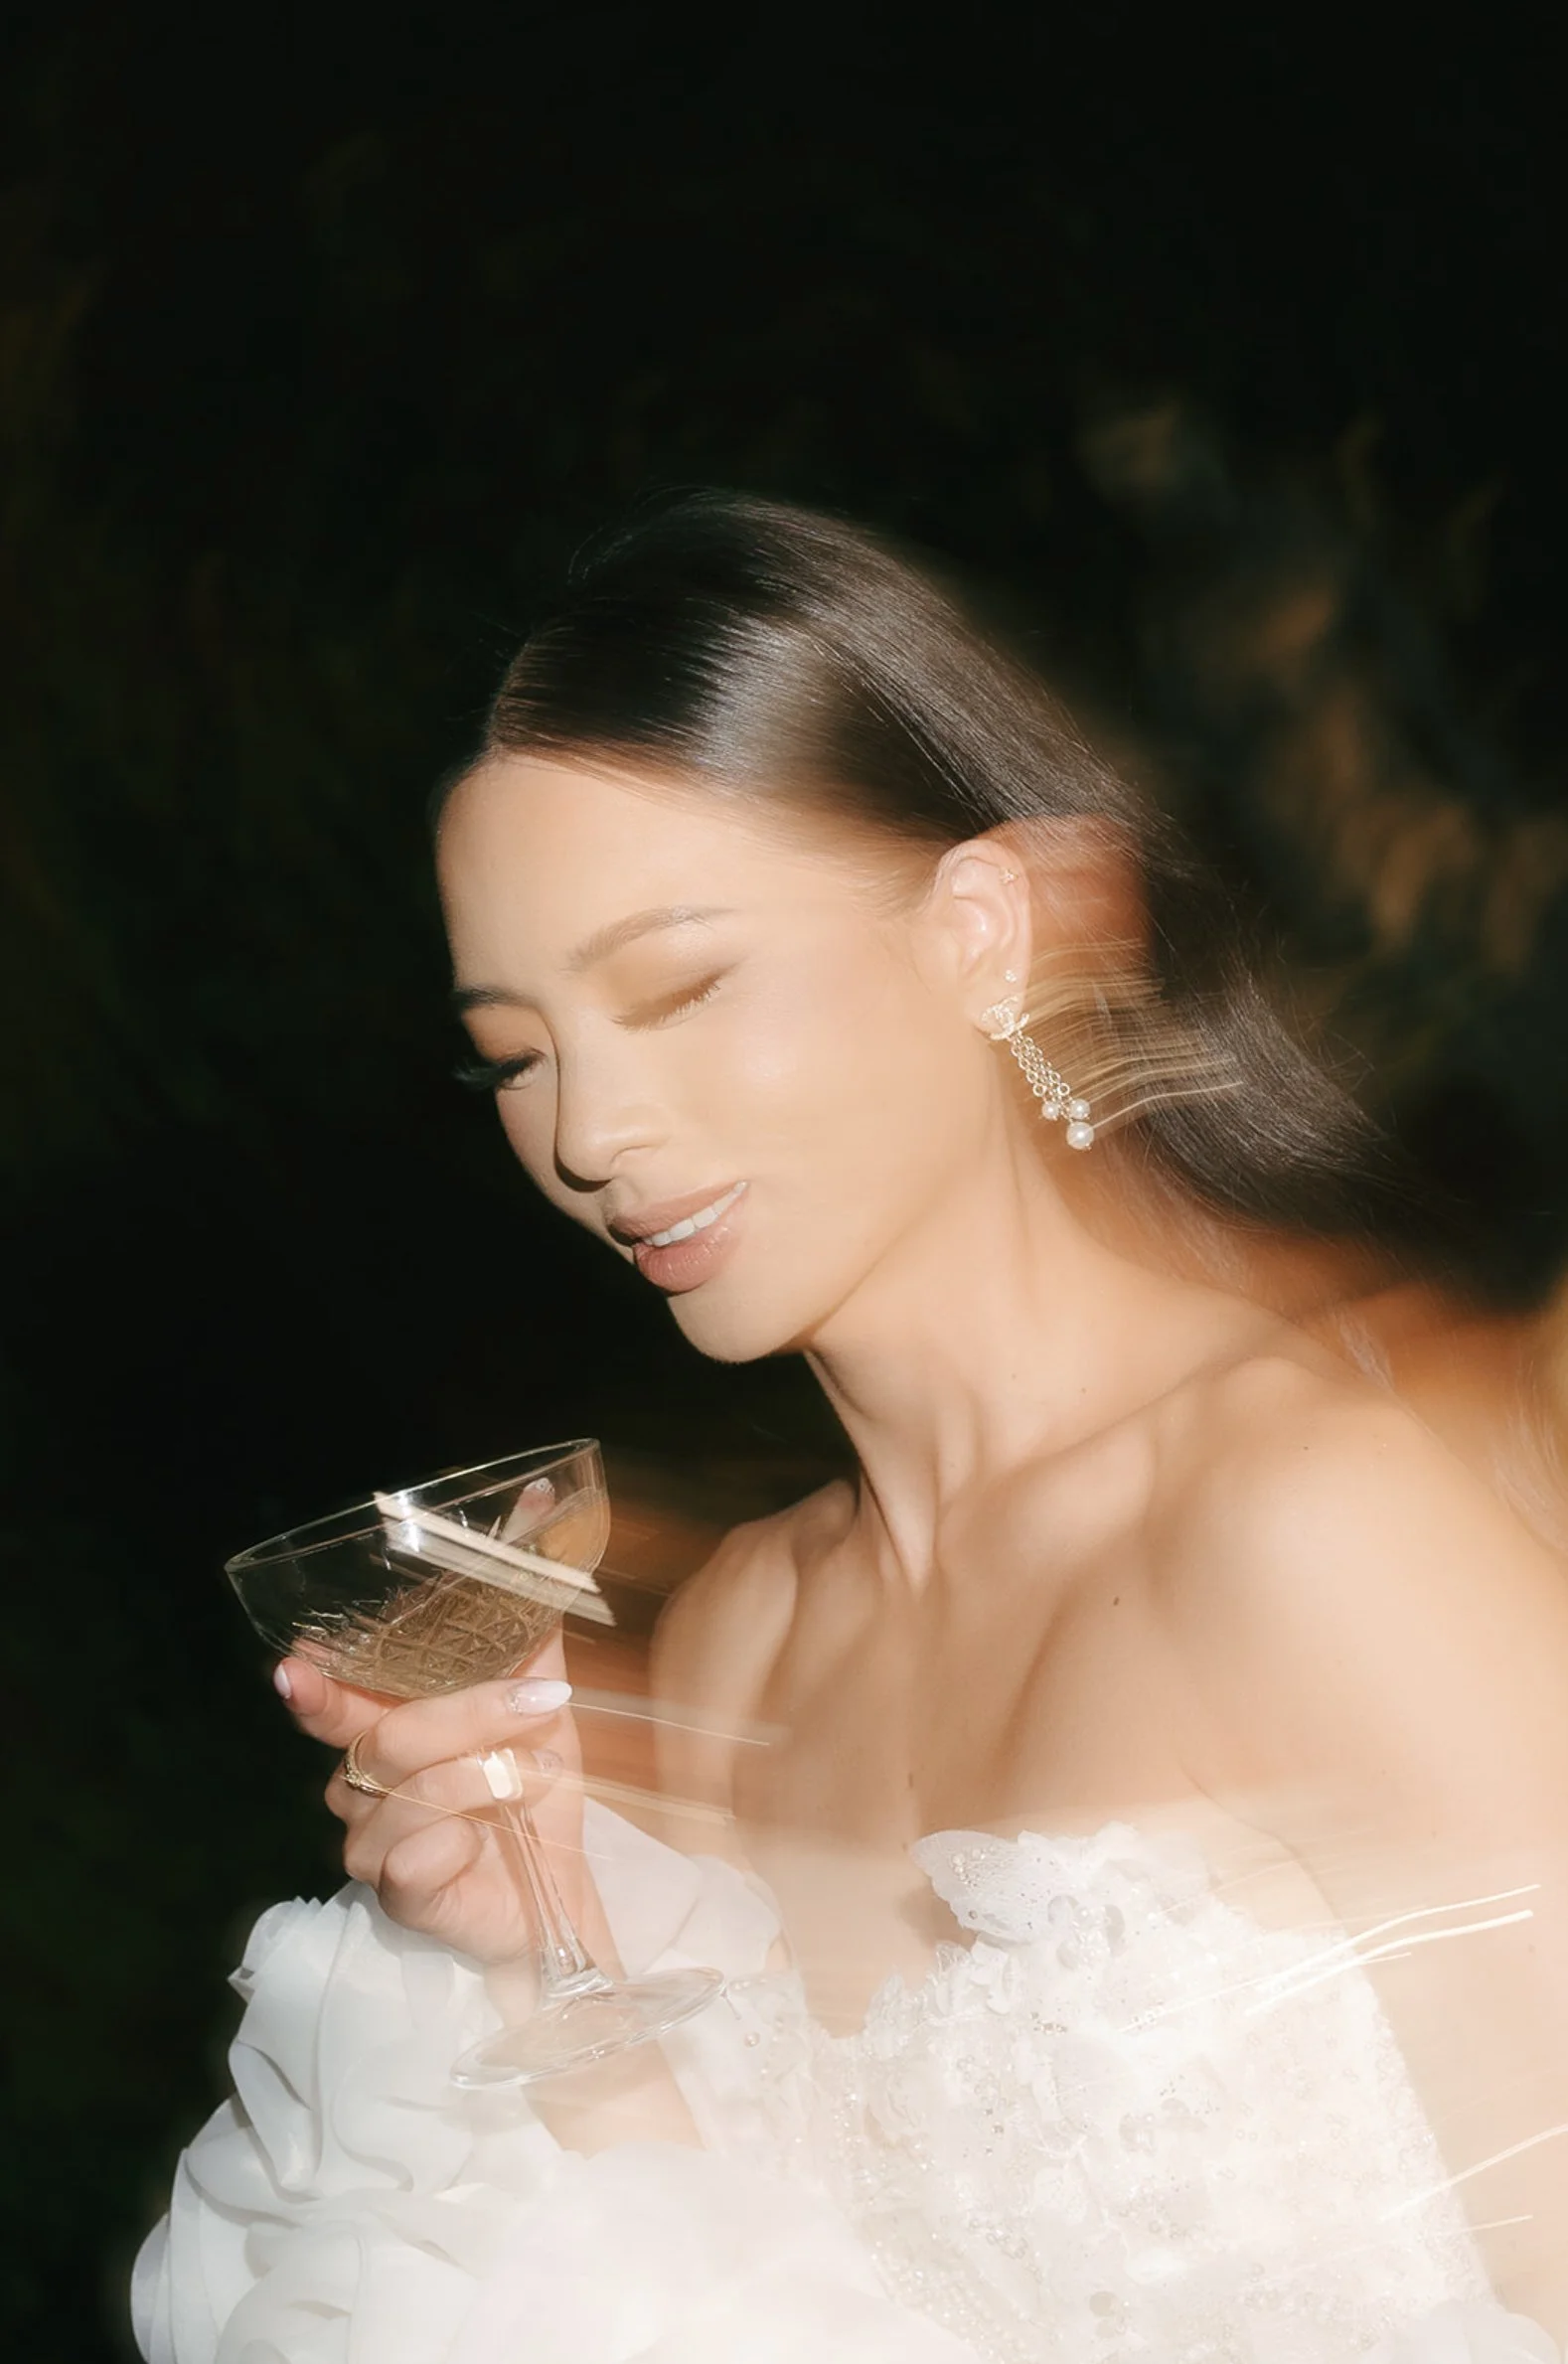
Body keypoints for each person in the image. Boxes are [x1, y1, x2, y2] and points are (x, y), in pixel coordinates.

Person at [135, 495, 1568, 2364]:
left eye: (679, 985)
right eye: (515, 1047)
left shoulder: (1306, 1518)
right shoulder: (736, 1639)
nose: (586, 1132)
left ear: (980, 931)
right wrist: (548, 1944)